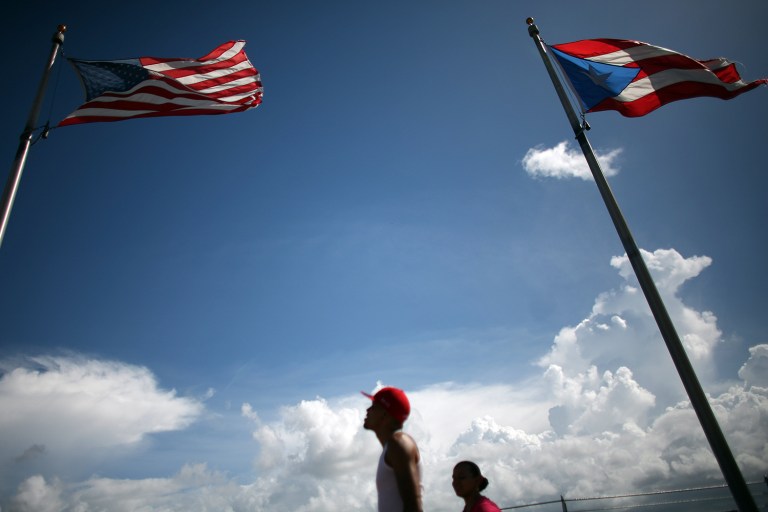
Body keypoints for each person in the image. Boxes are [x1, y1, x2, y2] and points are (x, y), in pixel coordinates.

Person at [362, 386, 423, 512]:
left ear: (384, 413)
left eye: (374, 405)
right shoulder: (392, 446)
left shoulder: (398, 443)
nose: (368, 410)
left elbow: (413, 505)